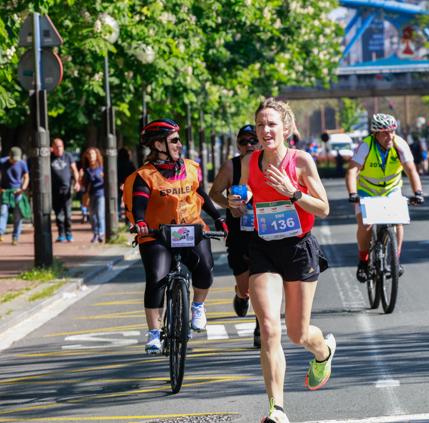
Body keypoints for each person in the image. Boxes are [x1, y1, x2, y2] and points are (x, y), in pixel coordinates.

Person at [228, 99, 334, 423]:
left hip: (299, 248)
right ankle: (277, 409)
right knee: (270, 329)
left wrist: (294, 193)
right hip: (264, 247)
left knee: (298, 335)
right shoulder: (250, 161)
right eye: (260, 125)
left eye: (272, 124)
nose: (265, 130)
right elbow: (242, 201)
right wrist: (236, 202)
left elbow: (324, 208)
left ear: (285, 128)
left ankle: (324, 351)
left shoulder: (301, 162)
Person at [123, 118, 227, 355]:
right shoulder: (145, 175)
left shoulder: (191, 167)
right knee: (157, 277)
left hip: (189, 228)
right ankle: (153, 333)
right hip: (156, 234)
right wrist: (139, 221)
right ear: (159, 145)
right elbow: (139, 202)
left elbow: (201, 195)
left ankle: (198, 306)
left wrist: (219, 219)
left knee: (205, 268)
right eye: (174, 140)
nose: (180, 145)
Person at [345, 113, 424, 283]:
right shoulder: (366, 146)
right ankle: (363, 260)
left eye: (392, 132)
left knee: (398, 221)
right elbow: (352, 171)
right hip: (367, 190)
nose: (390, 136)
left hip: (391, 189)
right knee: (365, 225)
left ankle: (395, 260)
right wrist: (352, 193)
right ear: (375, 133)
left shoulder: (400, 144)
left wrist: (418, 192)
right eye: (385, 133)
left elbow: (411, 170)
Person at [209, 124, 261, 348]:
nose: (248, 145)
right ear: (238, 145)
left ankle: (261, 327)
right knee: (246, 285)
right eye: (243, 142)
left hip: (265, 231)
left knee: (263, 280)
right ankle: (241, 296)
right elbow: (214, 193)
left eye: (253, 141)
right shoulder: (232, 166)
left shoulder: (269, 164)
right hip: (239, 231)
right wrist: (228, 204)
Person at [50, 138, 80, 242]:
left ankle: (69, 233)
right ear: (52, 147)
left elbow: (74, 170)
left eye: (60, 146)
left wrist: (77, 182)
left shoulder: (68, 156)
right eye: (56, 147)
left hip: (67, 189)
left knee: (67, 213)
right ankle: (61, 234)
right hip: (54, 190)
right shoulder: (49, 157)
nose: (58, 149)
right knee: (58, 214)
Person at [0, 147, 30, 245]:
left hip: (18, 192)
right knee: (3, 212)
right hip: (5, 192)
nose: (14, 161)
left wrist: (23, 188)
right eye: (13, 159)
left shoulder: (22, 164)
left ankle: (15, 237)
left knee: (18, 216)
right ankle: (0, 232)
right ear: (9, 156)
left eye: (16, 159)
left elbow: (26, 177)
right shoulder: (2, 162)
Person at [81, 147, 106, 243]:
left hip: (101, 194)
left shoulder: (102, 168)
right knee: (92, 216)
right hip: (90, 195)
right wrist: (80, 178)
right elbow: (84, 184)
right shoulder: (86, 169)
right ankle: (95, 233)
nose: (91, 156)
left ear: (96, 155)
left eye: (93, 154)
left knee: (100, 214)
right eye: (89, 154)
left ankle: (101, 233)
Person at [117, 147, 136, 221]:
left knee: (117, 200)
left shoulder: (116, 163)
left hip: (118, 184)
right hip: (128, 185)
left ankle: (118, 215)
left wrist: (120, 183)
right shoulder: (130, 164)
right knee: (127, 203)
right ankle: (127, 219)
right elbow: (133, 174)